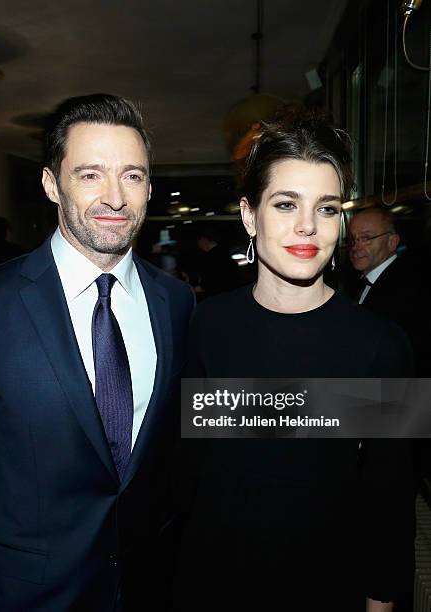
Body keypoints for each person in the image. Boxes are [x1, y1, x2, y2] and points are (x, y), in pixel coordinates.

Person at [0, 93, 194, 611]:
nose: (115, 197)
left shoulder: (176, 303)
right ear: (53, 183)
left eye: (132, 176)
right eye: (91, 174)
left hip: (145, 585)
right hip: (22, 593)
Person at [173, 113, 415, 612]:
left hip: (328, 586)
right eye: (286, 204)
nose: (307, 225)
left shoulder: (382, 345)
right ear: (248, 215)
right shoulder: (204, 326)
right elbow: (193, 473)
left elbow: (388, 497)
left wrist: (382, 600)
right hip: (213, 582)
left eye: (326, 209)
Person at [348, 207, 431, 376]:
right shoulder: (360, 284)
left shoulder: (411, 287)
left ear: (392, 242)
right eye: (352, 239)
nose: (356, 246)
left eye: (366, 238)